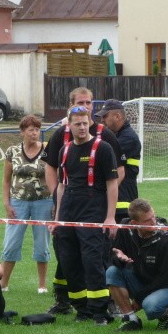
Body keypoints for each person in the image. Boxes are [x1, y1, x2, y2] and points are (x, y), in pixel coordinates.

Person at [43, 87, 125, 315]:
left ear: (90, 121)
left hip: (93, 207)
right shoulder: (64, 146)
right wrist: (57, 217)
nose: (81, 126)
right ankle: (79, 307)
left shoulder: (105, 144)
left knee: (92, 258)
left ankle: (101, 308)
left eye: (85, 121)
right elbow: (60, 184)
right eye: (76, 123)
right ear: (69, 123)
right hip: (68, 208)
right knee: (67, 258)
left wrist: (109, 216)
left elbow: (114, 179)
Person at [106, 198, 168, 332]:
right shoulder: (126, 228)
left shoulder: (167, 240)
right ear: (134, 223)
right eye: (148, 221)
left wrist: (139, 298)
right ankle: (131, 319)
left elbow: (167, 277)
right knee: (112, 272)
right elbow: (114, 253)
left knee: (150, 306)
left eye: (153, 216)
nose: (154, 222)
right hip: (142, 281)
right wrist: (119, 257)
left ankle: (167, 315)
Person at [0, 114, 52, 294]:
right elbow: (6, 180)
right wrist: (7, 204)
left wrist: (55, 202)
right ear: (22, 132)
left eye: (38, 129)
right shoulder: (12, 151)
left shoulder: (48, 150)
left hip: (43, 202)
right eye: (31, 130)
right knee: (11, 242)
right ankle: (3, 283)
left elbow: (56, 177)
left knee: (42, 243)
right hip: (18, 202)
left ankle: (42, 284)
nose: (35, 133)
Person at [94, 99, 142, 220]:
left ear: (117, 116)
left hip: (122, 203)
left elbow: (100, 158)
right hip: (114, 200)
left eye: (105, 116)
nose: (102, 120)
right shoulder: (115, 136)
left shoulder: (128, 138)